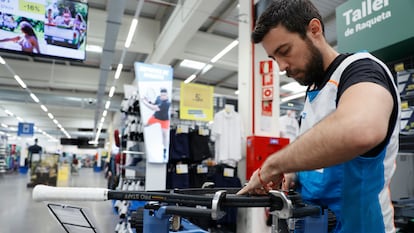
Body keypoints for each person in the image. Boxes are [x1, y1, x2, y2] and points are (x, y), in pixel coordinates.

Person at [237, 1, 400, 233]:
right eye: (274, 59)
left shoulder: (361, 70)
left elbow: (361, 129)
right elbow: (324, 154)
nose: (281, 67)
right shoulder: (314, 88)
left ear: (314, 30)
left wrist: (274, 164)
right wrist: (294, 173)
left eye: (284, 51)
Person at [141, 88, 171, 160]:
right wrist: (147, 100)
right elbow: (154, 103)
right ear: (160, 95)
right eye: (162, 95)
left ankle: (164, 151)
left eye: (164, 95)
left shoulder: (167, 103)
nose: (163, 97)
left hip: (164, 120)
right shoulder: (158, 98)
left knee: (164, 135)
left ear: (167, 95)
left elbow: (153, 108)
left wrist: (143, 102)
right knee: (146, 125)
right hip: (156, 117)